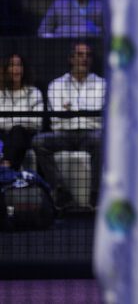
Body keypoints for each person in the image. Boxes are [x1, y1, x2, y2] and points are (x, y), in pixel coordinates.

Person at [32, 42, 107, 209]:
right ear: (71, 59)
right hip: (63, 134)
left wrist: (71, 109)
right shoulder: (56, 85)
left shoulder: (103, 85)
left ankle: (96, 193)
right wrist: (87, 111)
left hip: (91, 133)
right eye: (80, 55)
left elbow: (101, 116)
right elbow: (57, 116)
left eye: (88, 55)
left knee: (101, 139)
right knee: (38, 141)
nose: (84, 59)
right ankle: (60, 191)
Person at [1, 53, 43, 170]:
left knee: (17, 131)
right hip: (3, 135)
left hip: (26, 136)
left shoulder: (34, 92)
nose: (16, 69)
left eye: (19, 65)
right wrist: (21, 120)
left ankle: (6, 167)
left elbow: (37, 122)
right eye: (11, 65)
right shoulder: (0, 93)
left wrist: (10, 122)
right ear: (5, 69)